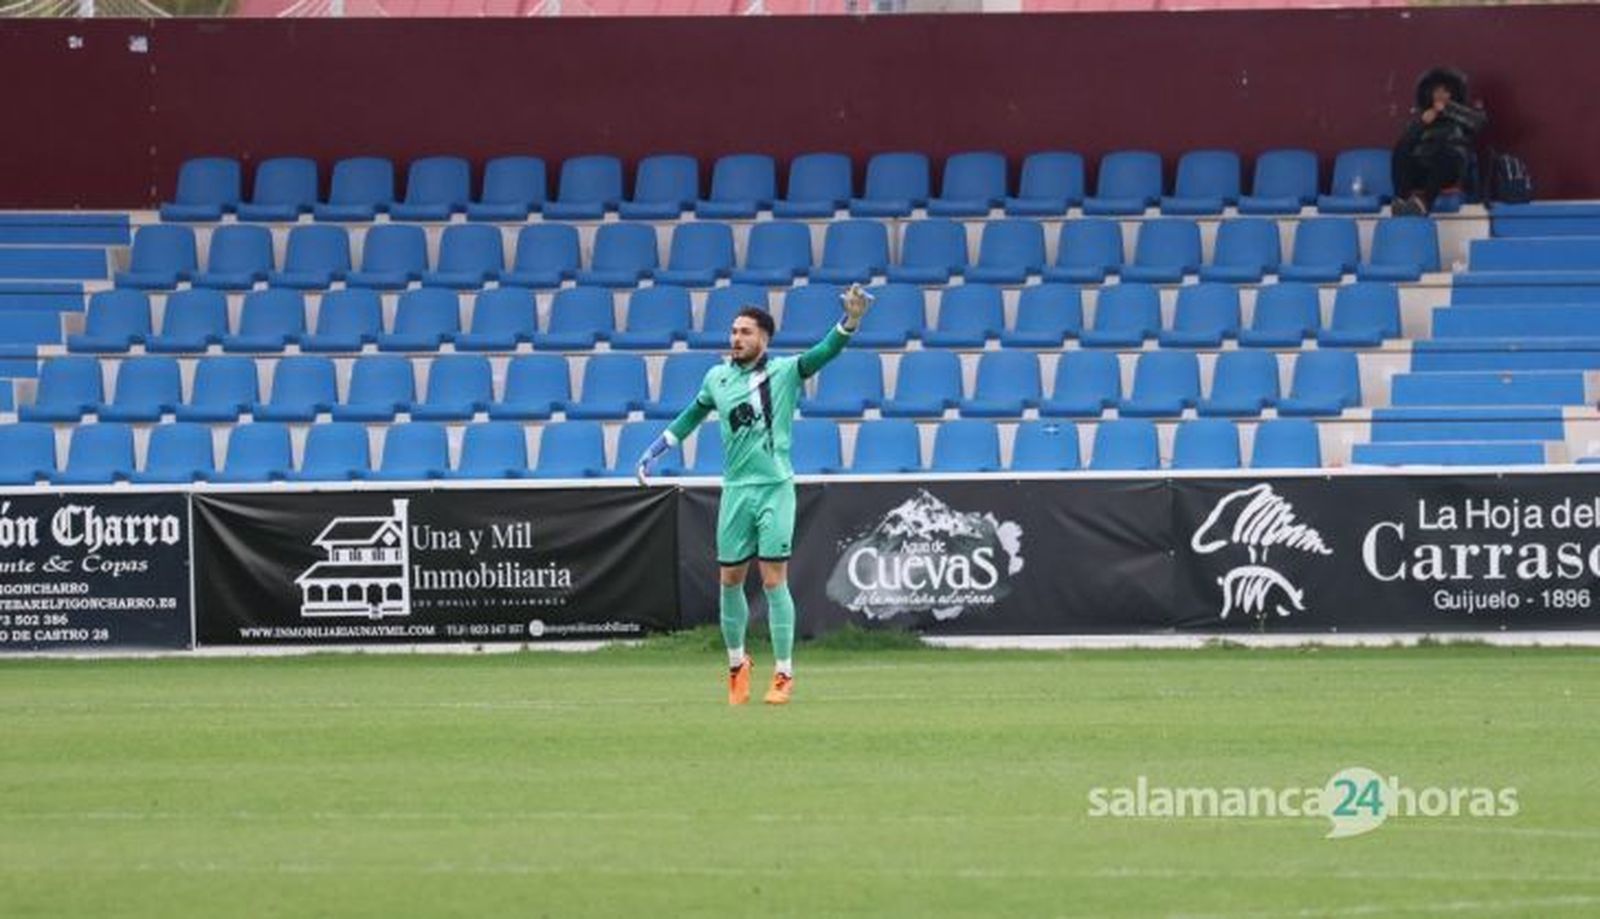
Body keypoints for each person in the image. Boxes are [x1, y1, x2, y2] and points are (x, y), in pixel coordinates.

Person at [636, 284, 873, 706]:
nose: (736, 338)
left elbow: (822, 353)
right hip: (736, 492)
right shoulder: (717, 377)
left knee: (772, 579)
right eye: (733, 331)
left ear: (764, 337)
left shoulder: (783, 373)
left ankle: (783, 674)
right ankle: (736, 665)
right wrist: (657, 450)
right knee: (729, 580)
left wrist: (850, 322)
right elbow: (692, 414)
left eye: (745, 332)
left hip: (775, 490)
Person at [1392, 66, 1487, 216]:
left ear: (1453, 93)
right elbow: (1406, 143)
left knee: (1446, 153)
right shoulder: (1422, 115)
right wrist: (1421, 123)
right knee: (1401, 148)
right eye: (1437, 91)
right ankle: (1401, 200)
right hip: (1423, 168)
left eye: (1445, 91)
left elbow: (1479, 123)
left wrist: (1448, 109)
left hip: (1449, 169)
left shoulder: (1463, 114)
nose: (1441, 95)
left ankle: (1424, 203)